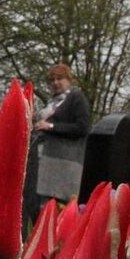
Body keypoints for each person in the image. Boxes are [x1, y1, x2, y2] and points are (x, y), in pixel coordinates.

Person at [23, 64, 91, 224]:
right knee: (41, 207)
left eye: (60, 78)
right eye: (51, 80)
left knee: (58, 210)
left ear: (69, 79)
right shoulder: (52, 102)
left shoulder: (76, 98)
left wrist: (51, 126)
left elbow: (82, 127)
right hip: (45, 161)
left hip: (64, 164)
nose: (55, 82)